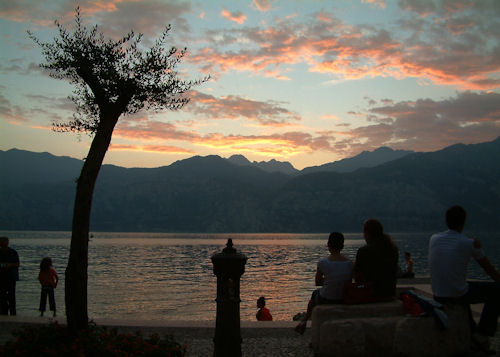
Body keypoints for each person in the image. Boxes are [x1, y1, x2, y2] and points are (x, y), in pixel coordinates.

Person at [429, 205, 500, 353]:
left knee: (461, 286)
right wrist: (477, 247)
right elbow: (490, 271)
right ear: (463, 222)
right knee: (496, 291)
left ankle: (473, 334)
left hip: (438, 293)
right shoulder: (468, 243)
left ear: (446, 221)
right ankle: (482, 334)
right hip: (456, 294)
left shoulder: (433, 239)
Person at [295, 232, 353, 334]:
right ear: (342, 246)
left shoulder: (323, 263)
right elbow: (348, 282)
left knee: (315, 293)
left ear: (328, 245)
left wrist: (329, 280)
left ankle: (304, 320)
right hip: (344, 298)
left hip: (327, 299)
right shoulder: (349, 264)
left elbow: (317, 282)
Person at [354, 219, 399, 301]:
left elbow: (357, 276)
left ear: (367, 233)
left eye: (364, 233)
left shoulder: (363, 251)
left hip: (371, 293)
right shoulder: (392, 249)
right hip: (390, 292)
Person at [0, 237, 20, 315]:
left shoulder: (13, 252)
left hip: (11, 277)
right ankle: (3, 313)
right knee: (2, 297)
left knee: (11, 297)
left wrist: (9, 265)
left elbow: (17, 264)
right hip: (1, 278)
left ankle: (12, 313)